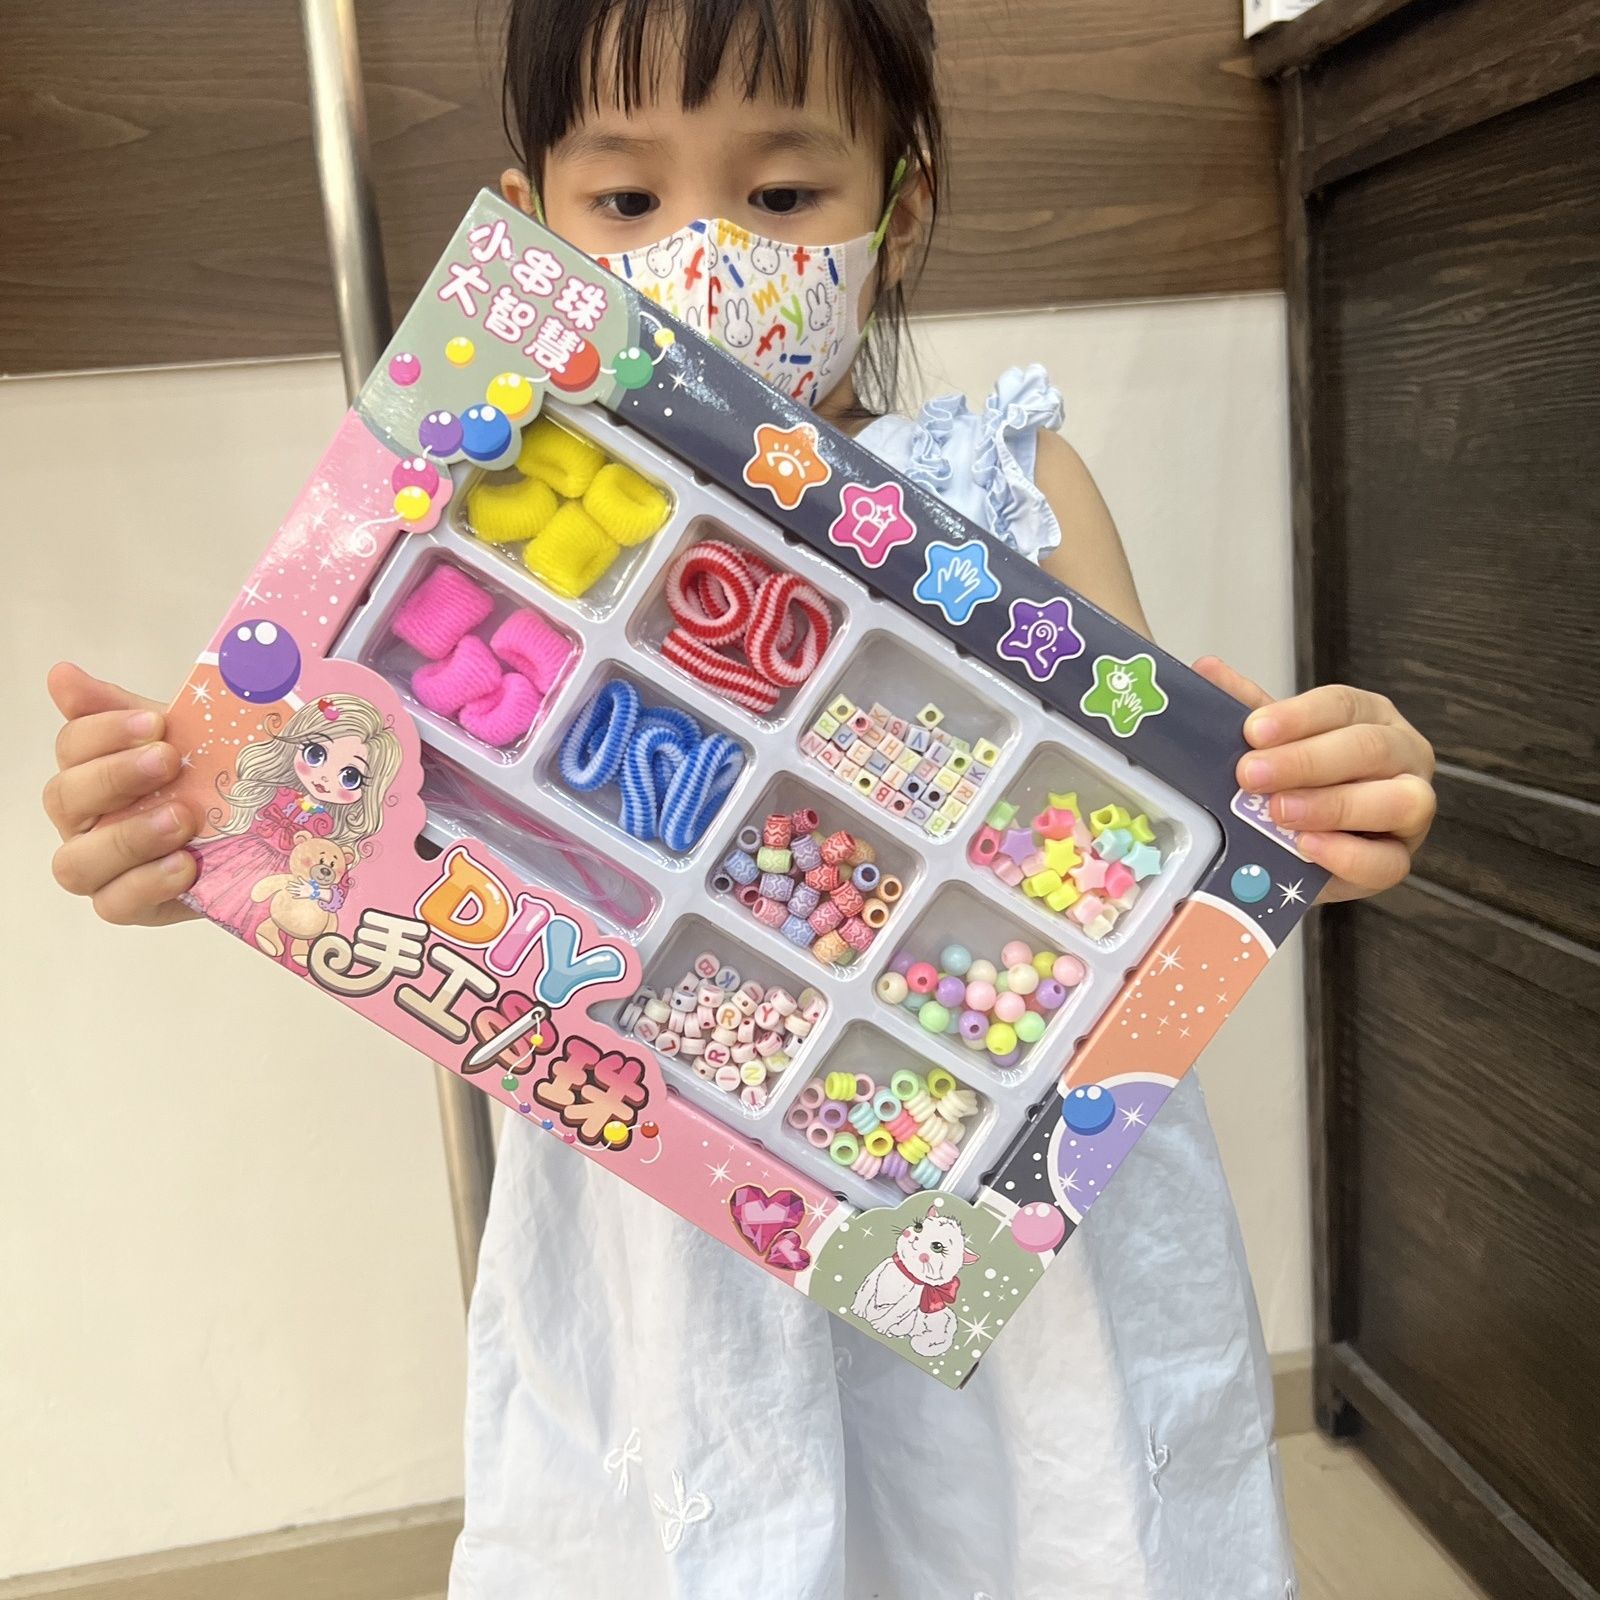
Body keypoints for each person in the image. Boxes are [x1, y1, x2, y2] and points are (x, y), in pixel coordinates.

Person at [42, 1, 1438, 1594]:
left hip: (980, 1173)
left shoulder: (1008, 489)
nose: (702, 254)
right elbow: (341, 822)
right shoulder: (474, 506)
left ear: (896, 211)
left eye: (780, 196)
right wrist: (183, 824)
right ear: (529, 224)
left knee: (1041, 1532)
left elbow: (1169, 833)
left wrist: (1319, 804)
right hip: (664, 1190)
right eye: (626, 199)